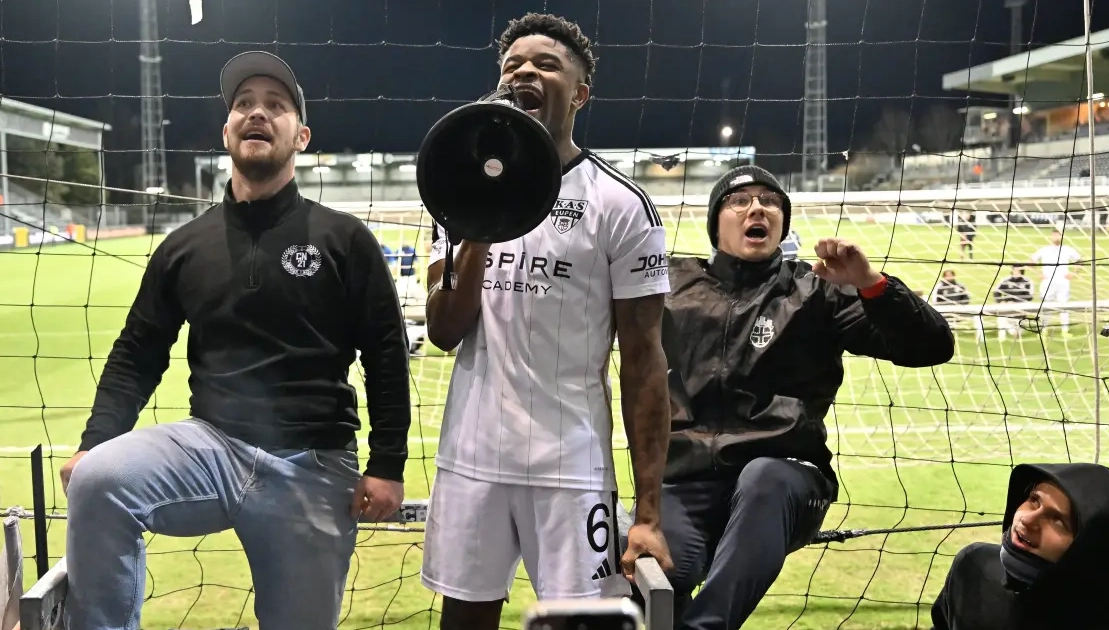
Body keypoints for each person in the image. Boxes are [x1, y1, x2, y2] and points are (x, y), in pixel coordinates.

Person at [59, 51, 411, 630]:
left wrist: (388, 463)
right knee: (98, 480)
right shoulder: (183, 246)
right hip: (211, 448)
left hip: (313, 462)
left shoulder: (345, 239)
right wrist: (94, 441)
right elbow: (137, 354)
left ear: (301, 137)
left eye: (276, 105)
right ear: (226, 132)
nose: (257, 113)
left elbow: (386, 355)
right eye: (244, 103)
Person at [420, 12, 674, 630]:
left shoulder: (620, 204)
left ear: (580, 93)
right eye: (512, 65)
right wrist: (483, 217)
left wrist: (647, 513)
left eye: (546, 65)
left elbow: (644, 362)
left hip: (571, 467)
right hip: (471, 457)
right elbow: (444, 330)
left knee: (578, 624)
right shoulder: (457, 192)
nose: (524, 72)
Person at [656, 165, 955, 630]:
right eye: (740, 200)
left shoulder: (816, 291)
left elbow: (932, 346)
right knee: (650, 572)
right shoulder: (673, 285)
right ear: (715, 223)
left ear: (782, 223)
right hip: (686, 479)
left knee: (763, 476)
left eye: (770, 201)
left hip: (785, 478)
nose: (757, 208)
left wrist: (872, 285)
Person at [930, 462, 1109, 629]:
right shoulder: (973, 568)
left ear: (1090, 547)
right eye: (1034, 500)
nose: (1027, 520)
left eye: (1057, 520)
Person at [1029, 229, 1081, 336]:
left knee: (1064, 307)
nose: (1056, 237)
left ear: (1061, 237)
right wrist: (1039, 274)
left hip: (1063, 283)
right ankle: (1044, 330)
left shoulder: (1067, 249)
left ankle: (1065, 331)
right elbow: (1031, 261)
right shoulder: (1044, 250)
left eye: (1058, 235)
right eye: (1054, 235)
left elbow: (1080, 260)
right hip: (1047, 283)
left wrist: (1073, 273)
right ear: (1051, 237)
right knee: (1046, 306)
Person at [993, 265, 1033, 340]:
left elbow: (1029, 297)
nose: (1016, 272)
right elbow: (996, 292)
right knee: (1000, 315)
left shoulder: (1027, 281)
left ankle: (1016, 330)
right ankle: (1002, 336)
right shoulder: (1005, 280)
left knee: (1017, 331)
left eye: (1018, 270)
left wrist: (1016, 302)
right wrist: (1001, 301)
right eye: (1014, 270)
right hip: (1007, 306)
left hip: (1021, 307)